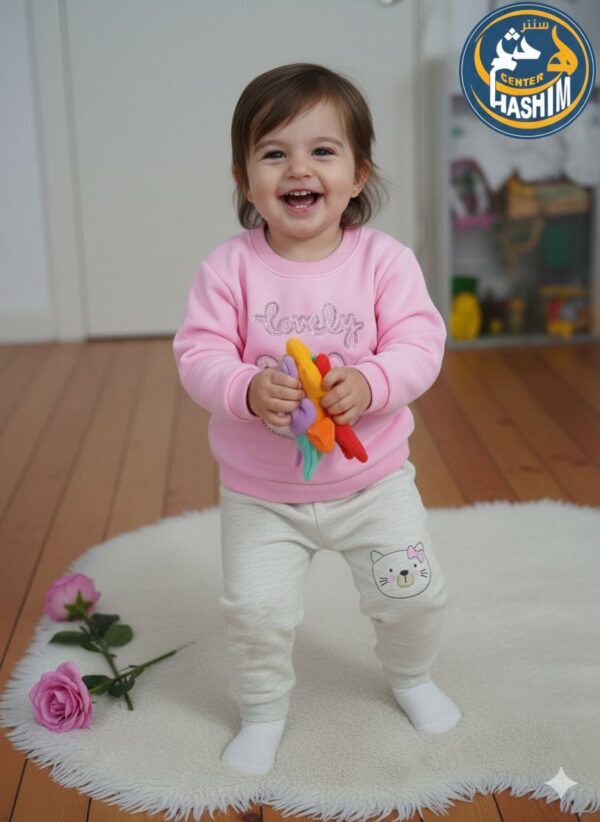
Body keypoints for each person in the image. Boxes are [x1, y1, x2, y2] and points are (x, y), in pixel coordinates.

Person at [173, 62, 461, 777]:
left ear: (358, 174)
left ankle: (411, 676)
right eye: (274, 153)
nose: (299, 169)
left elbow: (420, 344)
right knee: (257, 613)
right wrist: (245, 388)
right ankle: (263, 712)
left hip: (374, 483)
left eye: (322, 151)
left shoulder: (386, 262)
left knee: (414, 596)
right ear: (245, 181)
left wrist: (372, 382)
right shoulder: (228, 270)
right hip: (262, 495)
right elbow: (198, 353)